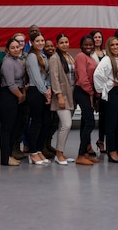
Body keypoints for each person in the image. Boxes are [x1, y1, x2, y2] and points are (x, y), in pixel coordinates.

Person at [93, 36, 118, 163]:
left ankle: (117, 149)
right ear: (108, 47)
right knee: (111, 124)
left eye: (117, 44)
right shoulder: (106, 60)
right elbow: (97, 76)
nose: (115, 47)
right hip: (112, 94)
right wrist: (109, 84)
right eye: (112, 45)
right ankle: (111, 151)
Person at [0, 37, 27, 166]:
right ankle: (5, 158)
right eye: (13, 47)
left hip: (18, 94)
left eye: (17, 47)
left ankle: (9, 154)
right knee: (7, 129)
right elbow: (10, 83)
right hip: (8, 96)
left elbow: (23, 80)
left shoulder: (19, 61)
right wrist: (20, 96)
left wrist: (23, 94)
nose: (16, 49)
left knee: (15, 128)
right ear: (7, 50)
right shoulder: (8, 62)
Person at [25, 32, 52, 165]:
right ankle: (33, 152)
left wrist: (49, 89)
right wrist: (45, 92)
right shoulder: (31, 56)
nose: (41, 43)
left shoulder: (43, 56)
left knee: (45, 122)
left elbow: (47, 75)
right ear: (32, 43)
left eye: (42, 40)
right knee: (36, 123)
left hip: (44, 91)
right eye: (38, 41)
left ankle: (39, 149)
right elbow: (36, 77)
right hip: (35, 91)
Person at [49, 34, 75, 165]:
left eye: (66, 42)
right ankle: (58, 154)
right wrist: (59, 95)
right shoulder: (55, 58)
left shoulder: (69, 56)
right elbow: (54, 78)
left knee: (62, 126)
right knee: (67, 124)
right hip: (62, 96)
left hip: (71, 96)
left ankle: (61, 153)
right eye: (62, 42)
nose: (65, 44)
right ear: (57, 45)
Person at [74, 35, 99, 165]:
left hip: (89, 92)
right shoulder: (80, 57)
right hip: (82, 91)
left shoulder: (90, 58)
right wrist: (91, 93)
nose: (89, 47)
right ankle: (80, 155)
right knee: (90, 123)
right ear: (81, 46)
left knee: (85, 122)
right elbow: (83, 78)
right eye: (86, 45)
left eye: (91, 44)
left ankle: (85, 153)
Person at [90, 30, 106, 154]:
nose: (97, 39)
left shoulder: (106, 53)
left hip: (106, 88)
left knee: (104, 117)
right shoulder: (89, 54)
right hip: (93, 88)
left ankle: (101, 140)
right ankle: (89, 144)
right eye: (95, 37)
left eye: (99, 37)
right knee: (92, 118)